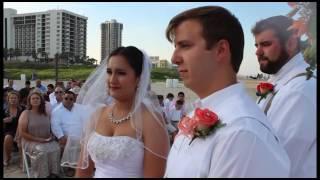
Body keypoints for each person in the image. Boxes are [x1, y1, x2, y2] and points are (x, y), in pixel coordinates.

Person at [164, 6, 290, 177]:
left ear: (221, 50)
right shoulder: (197, 114)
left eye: (185, 46)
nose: (174, 58)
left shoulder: (241, 134)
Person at [61, 46, 170, 178]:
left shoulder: (151, 121)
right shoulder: (97, 115)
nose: (112, 80)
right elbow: (83, 170)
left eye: (121, 73)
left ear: (138, 79)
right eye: (109, 72)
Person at [252, 15, 316, 178]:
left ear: (291, 43)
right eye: (257, 45)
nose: (258, 52)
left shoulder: (299, 90)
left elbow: (275, 163)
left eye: (265, 44)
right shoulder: (283, 81)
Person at [17, 91, 61, 178]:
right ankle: (42, 175)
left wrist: (51, 136)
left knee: (56, 148)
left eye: (37, 98)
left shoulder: (46, 113)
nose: (35, 100)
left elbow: (50, 128)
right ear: (29, 101)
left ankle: (53, 173)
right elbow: (22, 133)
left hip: (45, 140)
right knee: (41, 151)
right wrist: (40, 140)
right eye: (33, 98)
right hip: (30, 141)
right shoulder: (26, 113)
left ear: (41, 100)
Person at [3, 91, 24, 167]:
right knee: (7, 137)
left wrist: (13, 120)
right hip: (9, 131)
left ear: (18, 99)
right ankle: (7, 157)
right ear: (8, 99)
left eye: (15, 98)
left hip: (21, 130)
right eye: (11, 98)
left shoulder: (23, 109)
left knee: (22, 139)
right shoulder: (4, 110)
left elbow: (25, 120)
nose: (13, 99)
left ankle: (22, 160)